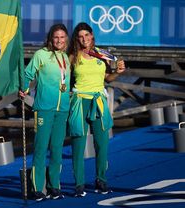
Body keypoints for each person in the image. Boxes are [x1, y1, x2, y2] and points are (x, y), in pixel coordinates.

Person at [68, 22, 125, 197]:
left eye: (87, 35)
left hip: (99, 101)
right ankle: (79, 183)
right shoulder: (73, 56)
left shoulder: (102, 54)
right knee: (78, 144)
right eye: (80, 36)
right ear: (77, 39)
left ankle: (101, 179)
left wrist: (119, 72)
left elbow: (109, 78)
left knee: (102, 144)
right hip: (79, 102)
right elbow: (64, 79)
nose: (84, 39)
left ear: (92, 35)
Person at [19, 24, 71, 201]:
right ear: (50, 38)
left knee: (57, 149)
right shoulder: (41, 54)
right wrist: (24, 89)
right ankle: (37, 188)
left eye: (62, 37)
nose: (59, 40)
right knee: (41, 149)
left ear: (66, 39)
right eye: (56, 37)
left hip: (62, 110)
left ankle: (54, 186)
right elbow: (28, 74)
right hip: (44, 108)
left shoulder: (65, 57)